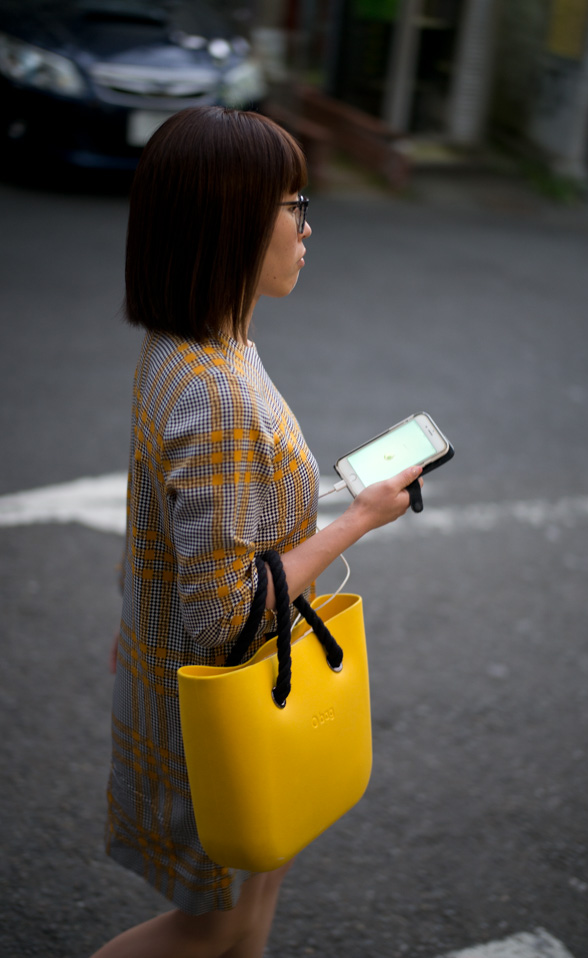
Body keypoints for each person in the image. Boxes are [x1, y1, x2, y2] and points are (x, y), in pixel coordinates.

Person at [93, 105, 423, 958]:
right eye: (292, 204)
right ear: (232, 220)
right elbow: (227, 618)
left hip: (189, 676)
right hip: (226, 701)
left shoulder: (190, 348)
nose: (308, 225)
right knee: (222, 927)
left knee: (250, 914)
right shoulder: (220, 392)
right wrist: (359, 518)